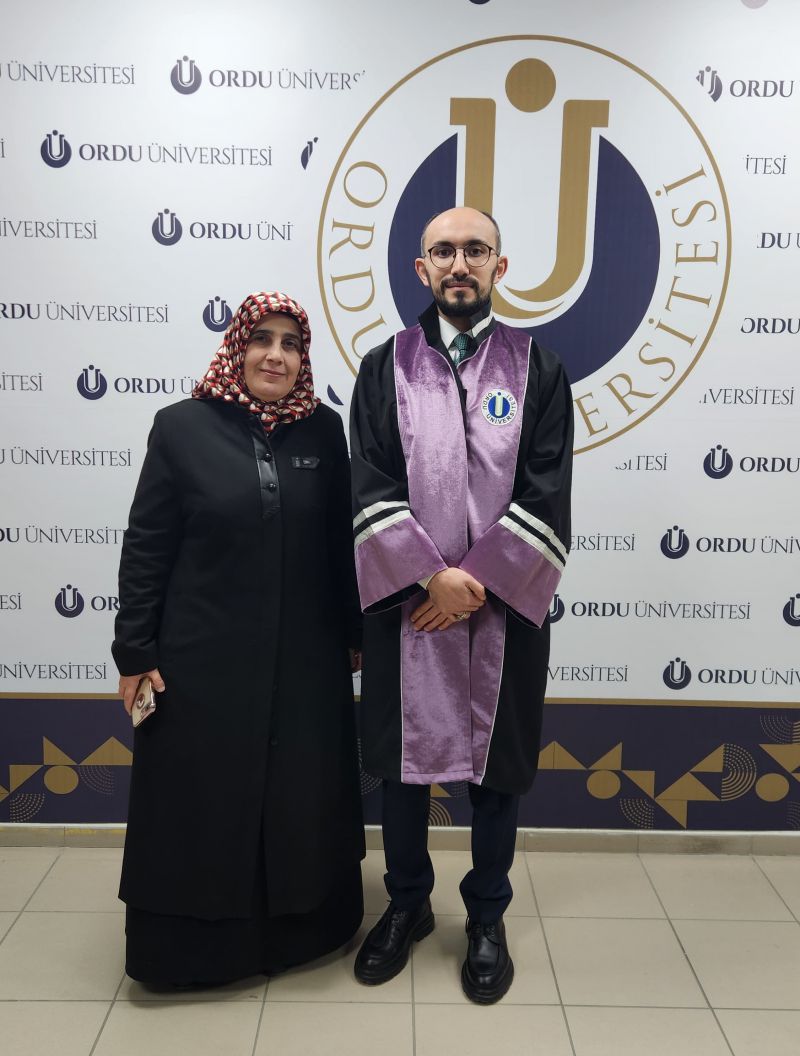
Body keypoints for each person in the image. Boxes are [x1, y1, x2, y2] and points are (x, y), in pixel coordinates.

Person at [349, 208, 573, 1004]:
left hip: (502, 611)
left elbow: (547, 490)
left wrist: (470, 583)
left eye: (476, 250)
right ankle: (407, 903)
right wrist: (426, 579)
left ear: (499, 267)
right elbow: (370, 484)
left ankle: (485, 917)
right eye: (443, 251)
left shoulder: (538, 368)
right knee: (402, 771)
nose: (459, 263)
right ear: (422, 270)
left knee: (496, 774)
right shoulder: (385, 368)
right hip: (410, 611)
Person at [112, 290, 365, 986]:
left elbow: (341, 547)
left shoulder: (323, 431)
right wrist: (135, 651)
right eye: (262, 339)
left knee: (299, 798)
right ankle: (196, 954)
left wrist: (354, 637)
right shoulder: (180, 428)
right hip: (201, 663)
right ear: (236, 348)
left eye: (291, 344)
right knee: (203, 803)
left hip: (306, 662)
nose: (275, 356)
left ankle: (302, 935)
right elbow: (147, 546)